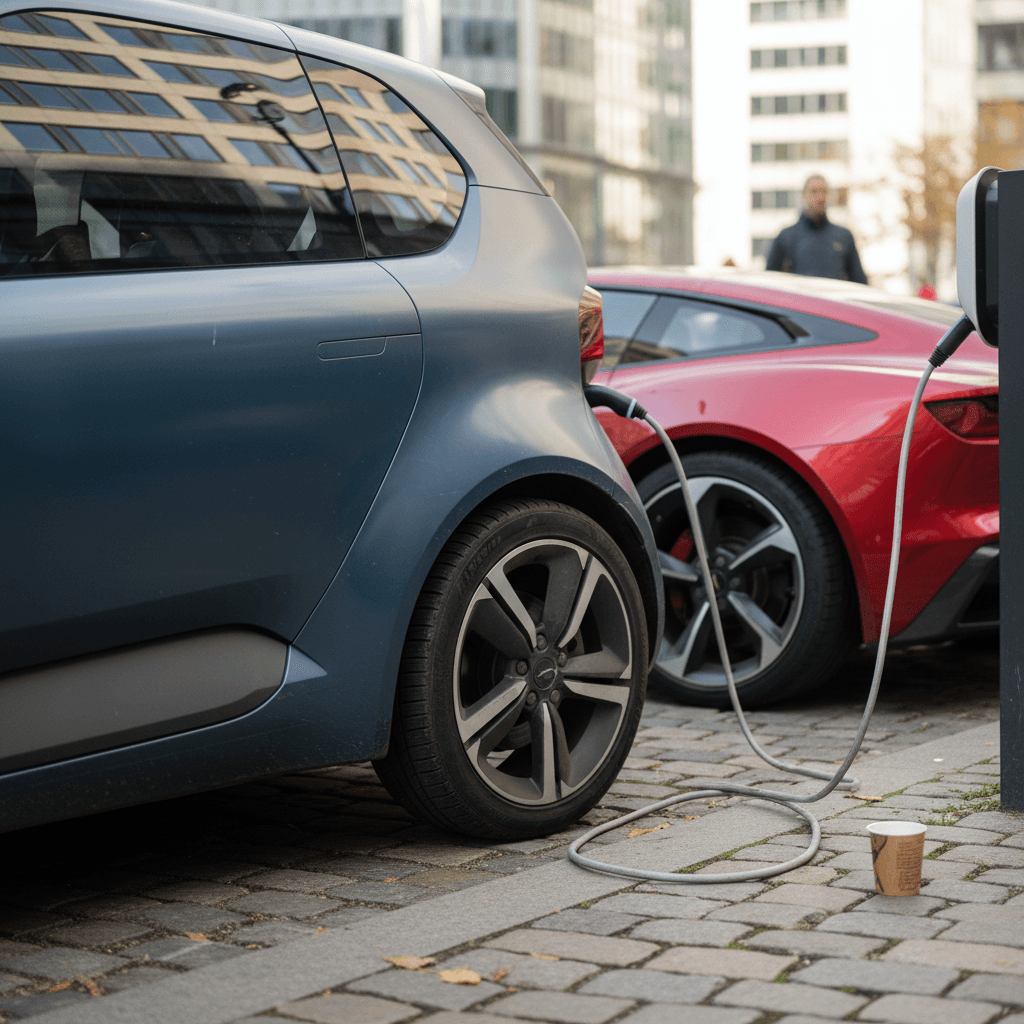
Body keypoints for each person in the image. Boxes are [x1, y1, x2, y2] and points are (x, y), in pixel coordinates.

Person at [766, 175, 867, 284]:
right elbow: (770, 283)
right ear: (803, 195)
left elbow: (860, 282)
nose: (820, 197)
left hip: (834, 299)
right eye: (813, 192)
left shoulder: (844, 236)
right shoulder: (786, 237)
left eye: (824, 192)